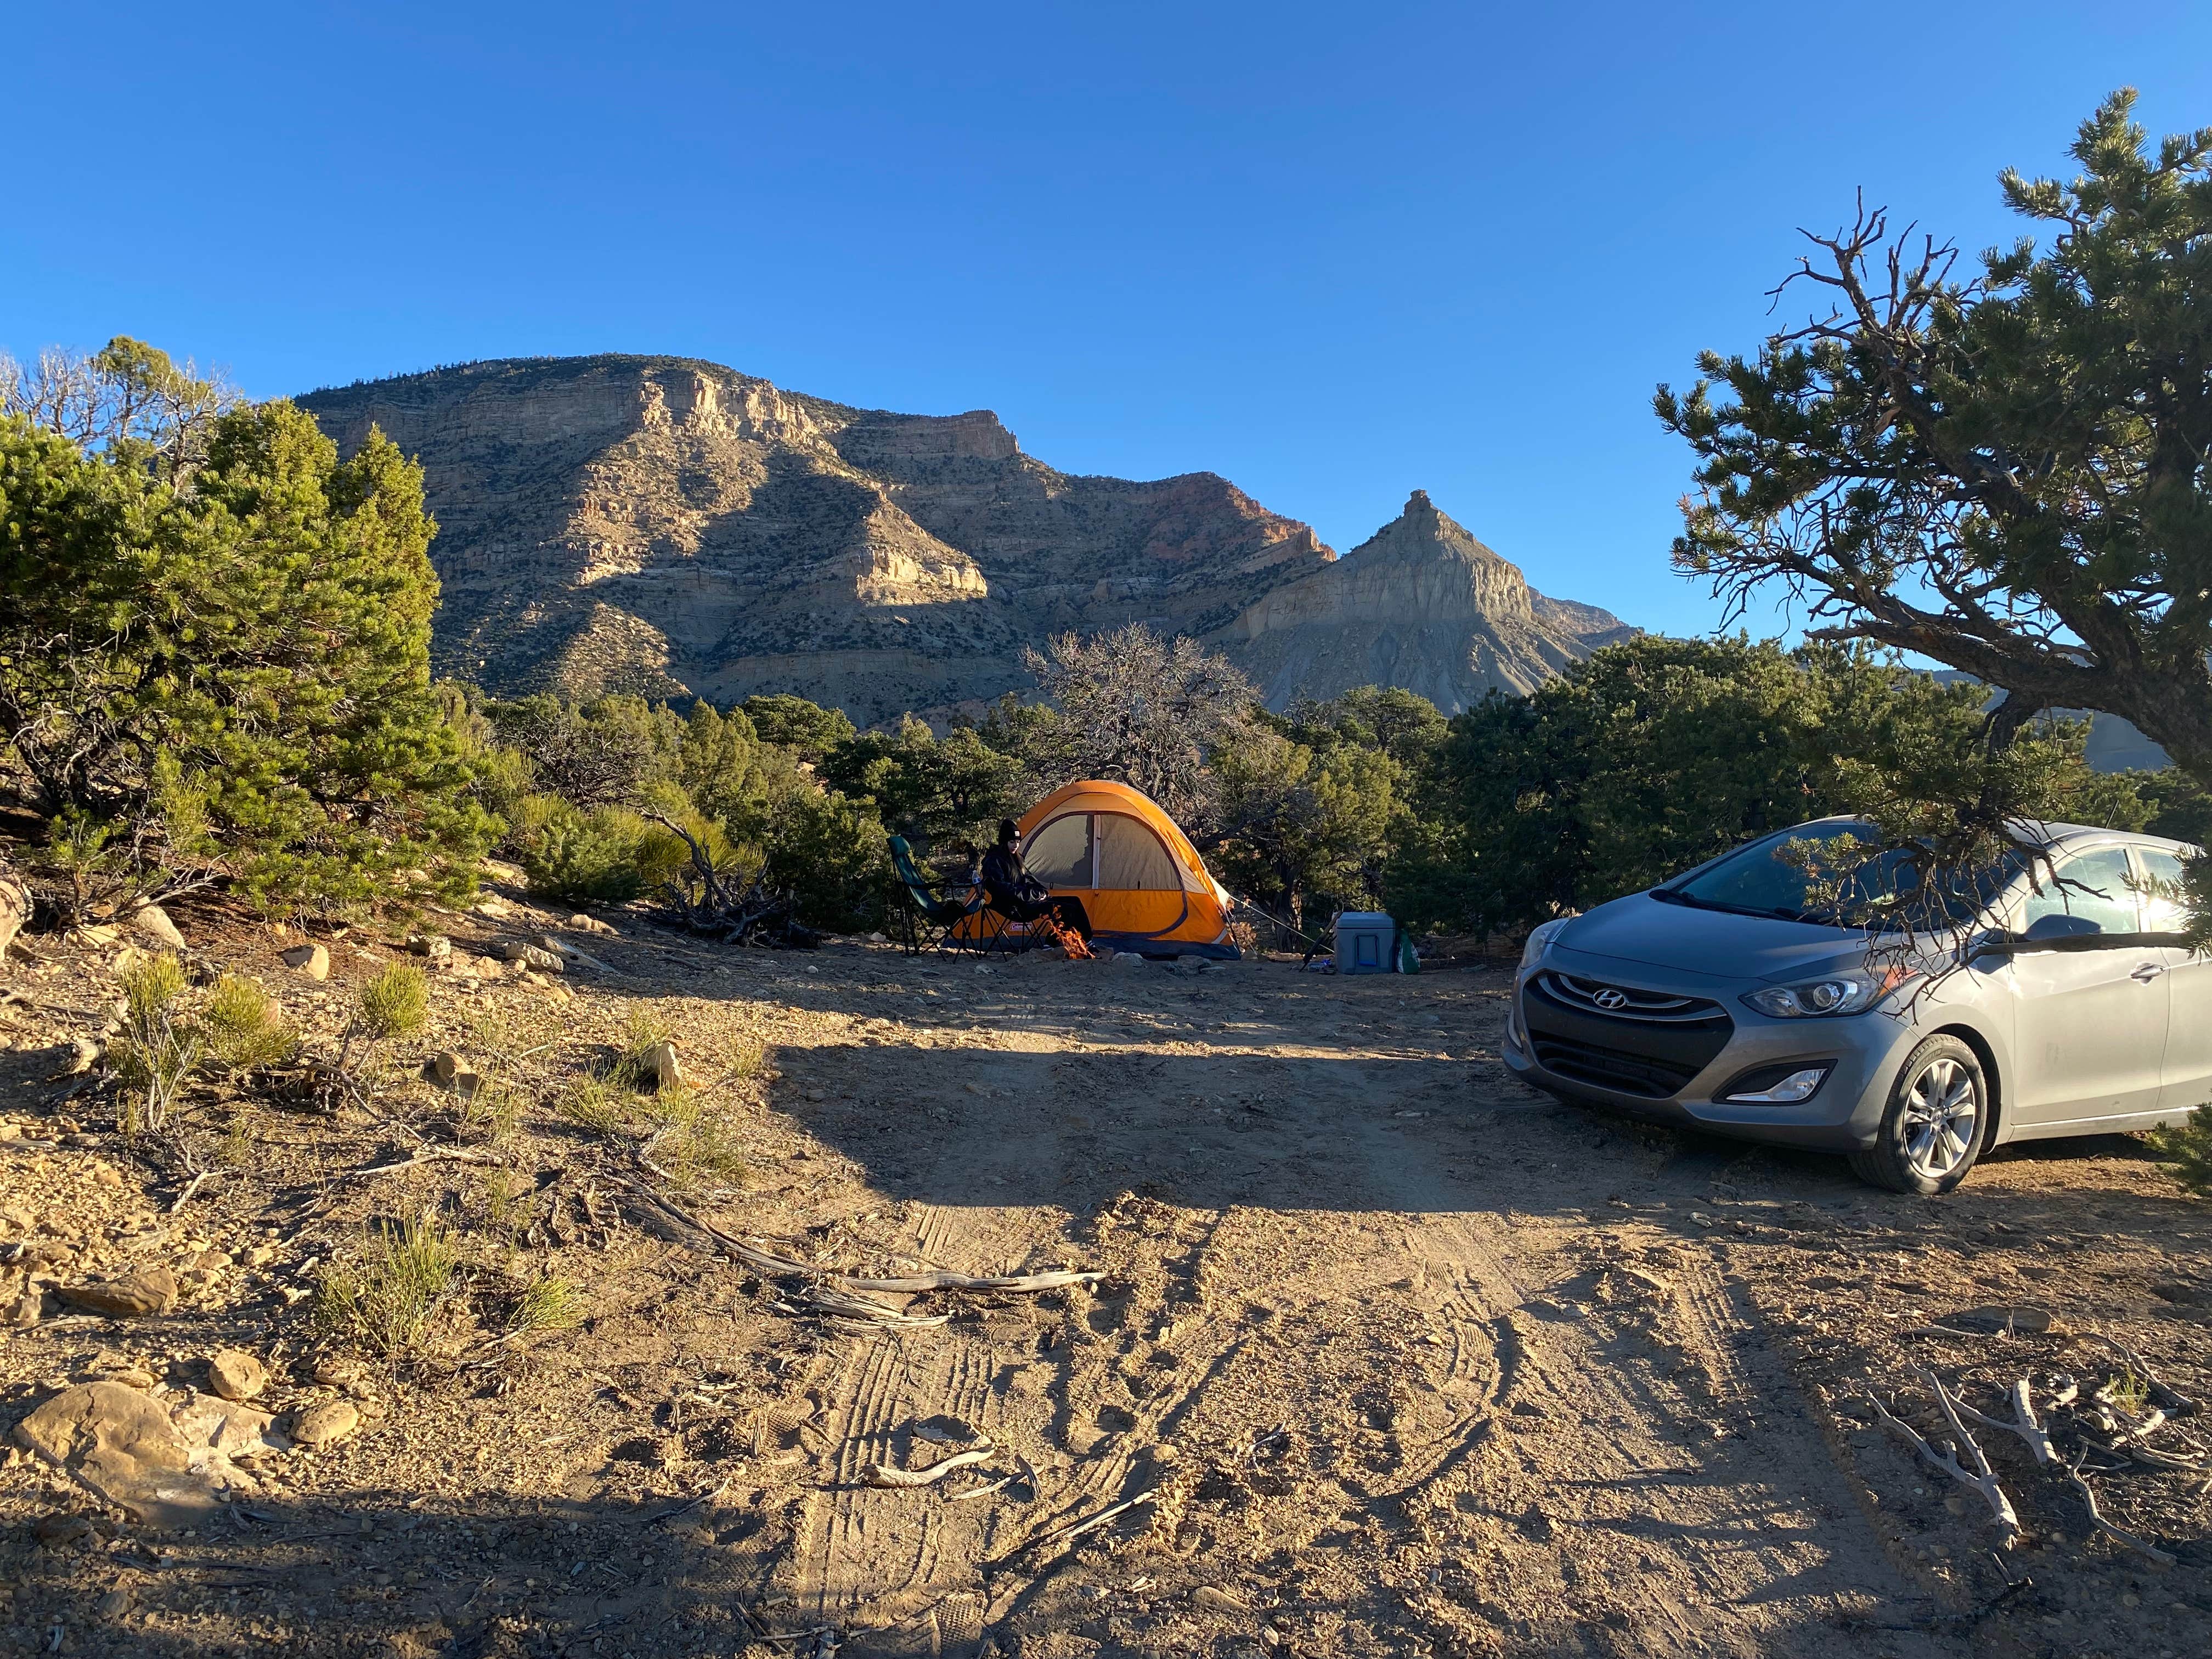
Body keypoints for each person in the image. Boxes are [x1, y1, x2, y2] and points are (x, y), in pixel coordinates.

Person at [981, 820, 1091, 940]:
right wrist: (1032, 895)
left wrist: (1042, 892)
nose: (1016, 846)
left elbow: (1030, 880)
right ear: (1004, 842)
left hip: (1029, 902)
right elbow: (1001, 889)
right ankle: (1052, 942)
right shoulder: (994, 861)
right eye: (1012, 842)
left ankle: (1087, 941)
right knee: (1067, 909)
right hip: (1014, 907)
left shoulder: (1017, 859)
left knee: (1075, 901)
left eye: (1018, 842)